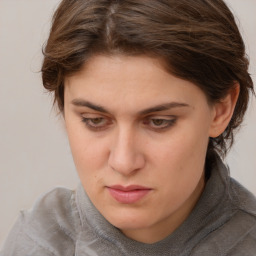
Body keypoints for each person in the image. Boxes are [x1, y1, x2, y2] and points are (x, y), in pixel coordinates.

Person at [1, 0, 256, 255]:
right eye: (94, 120)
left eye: (159, 122)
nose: (124, 162)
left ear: (221, 109)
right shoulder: (37, 242)